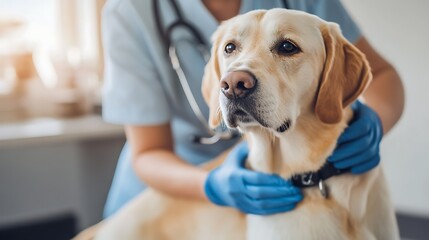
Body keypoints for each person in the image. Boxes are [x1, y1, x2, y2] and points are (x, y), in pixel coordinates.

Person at [101, 0, 404, 218]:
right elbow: (147, 151)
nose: (236, 82)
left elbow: (381, 74)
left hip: (285, 181)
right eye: (231, 49)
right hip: (165, 196)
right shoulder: (128, 11)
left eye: (286, 47)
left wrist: (374, 122)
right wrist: (213, 185)